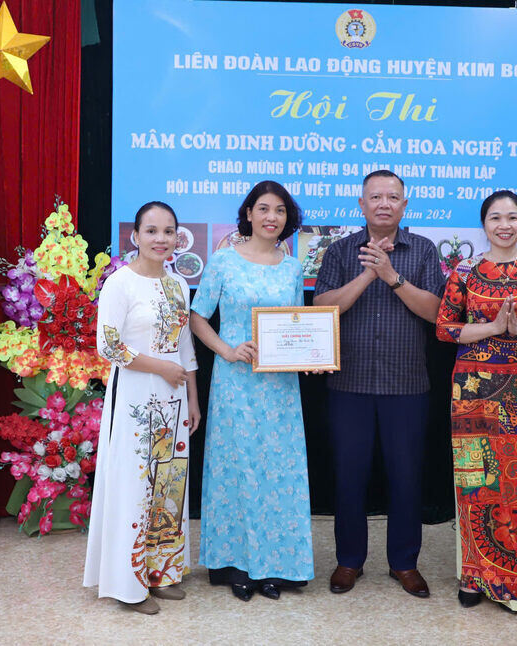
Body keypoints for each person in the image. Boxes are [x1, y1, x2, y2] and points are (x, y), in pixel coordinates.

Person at [435, 190, 517, 612]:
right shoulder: (464, 271)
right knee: (477, 481)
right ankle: (475, 575)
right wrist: (494, 327)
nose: (504, 225)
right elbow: (444, 328)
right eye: (495, 218)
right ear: (484, 224)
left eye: (512, 217)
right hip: (472, 392)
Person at [313, 170, 445, 597]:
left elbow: (437, 313)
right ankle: (349, 560)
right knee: (348, 476)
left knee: (406, 476)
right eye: (376, 197)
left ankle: (404, 563)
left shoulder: (423, 250)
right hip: (348, 382)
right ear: (361, 204)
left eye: (393, 197)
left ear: (405, 205)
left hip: (406, 383)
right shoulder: (340, 250)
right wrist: (368, 274)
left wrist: (392, 275)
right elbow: (321, 307)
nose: (384, 203)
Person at [190, 180, 313, 602]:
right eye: (263, 208)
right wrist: (227, 349)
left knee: (279, 474)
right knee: (236, 470)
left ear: (287, 219)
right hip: (235, 382)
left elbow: (298, 324)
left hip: (280, 386)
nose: (270, 217)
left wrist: (310, 353)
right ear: (248, 214)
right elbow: (197, 318)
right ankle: (238, 564)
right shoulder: (223, 261)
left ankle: (275, 564)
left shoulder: (293, 267)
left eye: (279, 210)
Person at [84, 201, 200, 615]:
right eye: (151, 231)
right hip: (135, 395)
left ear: (177, 238)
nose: (161, 239)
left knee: (169, 484)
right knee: (136, 486)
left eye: (168, 231)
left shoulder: (178, 284)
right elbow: (109, 345)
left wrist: (192, 398)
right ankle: (128, 586)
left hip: (172, 400)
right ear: (135, 236)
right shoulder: (120, 284)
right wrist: (161, 368)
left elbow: (185, 346)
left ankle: (162, 573)